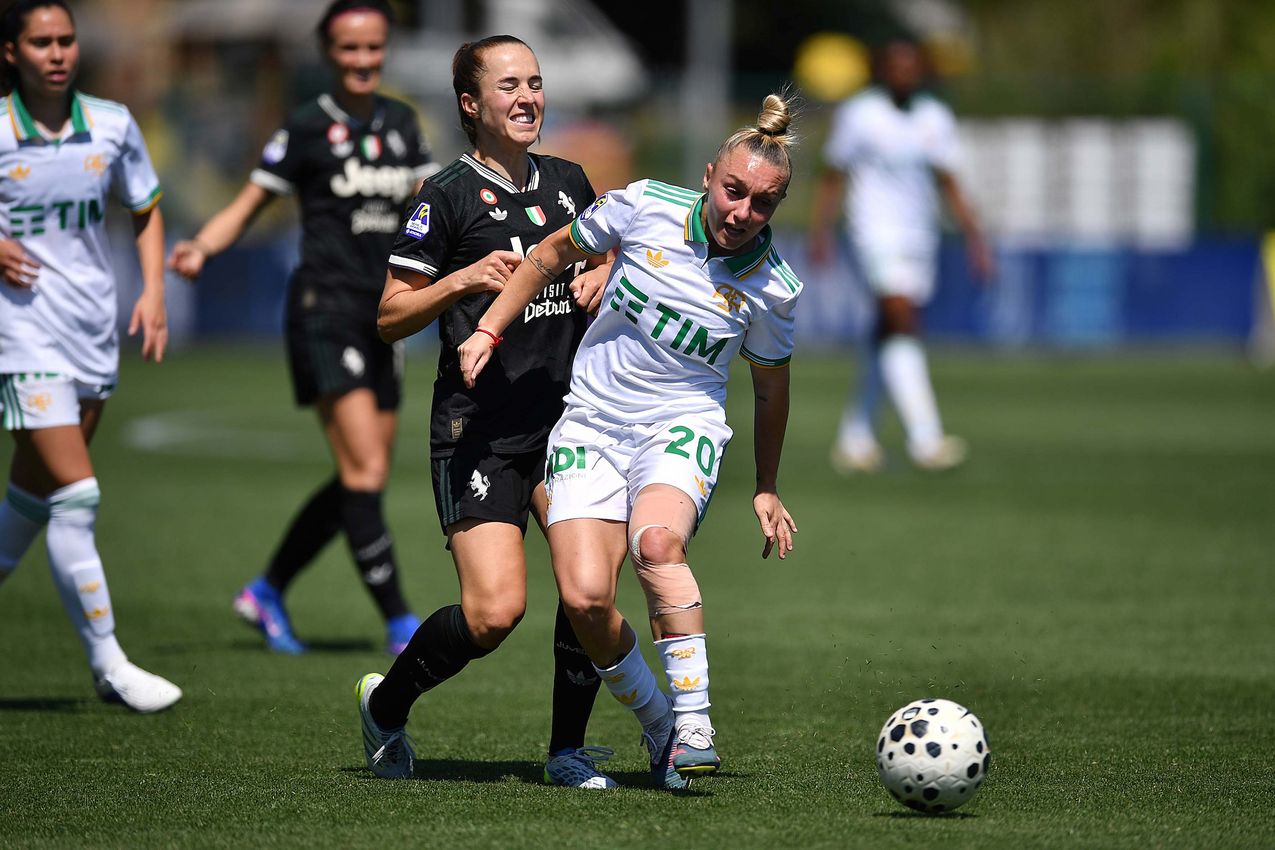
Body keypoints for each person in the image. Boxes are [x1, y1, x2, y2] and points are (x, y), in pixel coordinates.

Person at [456, 93, 803, 790]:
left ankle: (695, 720)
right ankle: (660, 726)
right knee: (585, 600)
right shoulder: (642, 204)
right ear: (709, 175)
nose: (741, 212)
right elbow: (551, 252)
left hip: (682, 424)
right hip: (591, 421)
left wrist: (765, 485)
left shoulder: (774, 288)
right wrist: (488, 328)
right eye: (733, 190)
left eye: (761, 203)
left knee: (655, 544)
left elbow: (769, 387)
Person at [353, 35, 616, 789]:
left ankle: (567, 752)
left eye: (535, 81)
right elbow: (390, 316)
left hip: (574, 422)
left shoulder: (569, 181)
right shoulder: (445, 196)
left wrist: (604, 272)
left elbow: (604, 254)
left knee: (585, 590)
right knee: (493, 614)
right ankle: (386, 706)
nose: (528, 96)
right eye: (509, 86)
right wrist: (461, 279)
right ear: (471, 104)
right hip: (480, 431)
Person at [168, 0, 436, 655]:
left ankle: (267, 589)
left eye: (373, 47)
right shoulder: (306, 127)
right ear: (328, 53)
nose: (363, 59)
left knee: (359, 475)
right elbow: (250, 200)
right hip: (324, 309)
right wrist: (203, 246)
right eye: (349, 48)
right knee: (366, 469)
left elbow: (432, 210)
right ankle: (401, 622)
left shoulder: (404, 125)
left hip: (385, 315)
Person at [0, 0, 180, 712]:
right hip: (20, 337)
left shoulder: (111, 122)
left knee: (32, 500)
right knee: (78, 498)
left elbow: (144, 207)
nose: (57, 53)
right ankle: (111, 665)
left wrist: (155, 290)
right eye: (40, 42)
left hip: (91, 330)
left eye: (66, 40)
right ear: (10, 53)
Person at [808, 39, 992, 473]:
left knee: (888, 331)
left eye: (912, 67)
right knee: (902, 318)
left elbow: (949, 181)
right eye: (896, 66)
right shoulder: (860, 114)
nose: (904, 74)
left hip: (919, 237)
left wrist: (975, 238)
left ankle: (855, 438)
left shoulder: (934, 117)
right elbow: (833, 175)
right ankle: (926, 439)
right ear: (882, 71)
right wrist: (820, 231)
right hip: (873, 233)